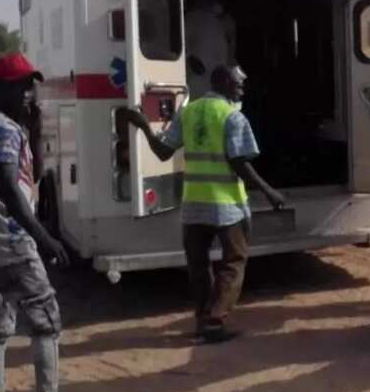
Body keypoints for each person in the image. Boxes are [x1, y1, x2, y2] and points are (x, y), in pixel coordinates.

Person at [119, 66, 284, 344]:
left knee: (198, 266)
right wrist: (269, 192)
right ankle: (215, 321)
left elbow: (162, 152)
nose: (242, 89)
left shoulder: (189, 111)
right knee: (234, 261)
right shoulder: (233, 116)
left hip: (194, 205)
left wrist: (144, 126)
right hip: (227, 204)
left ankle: (201, 320)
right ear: (222, 83)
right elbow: (239, 162)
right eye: (238, 84)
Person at [0, 53, 70, 392]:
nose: (29, 92)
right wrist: (45, 239)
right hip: (12, 242)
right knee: (46, 323)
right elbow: (11, 188)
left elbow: (32, 177)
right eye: (20, 86)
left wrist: (35, 130)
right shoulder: (4, 129)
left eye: (30, 85)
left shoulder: (12, 128)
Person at [185, 0, 238, 100]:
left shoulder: (225, 23)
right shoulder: (194, 18)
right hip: (197, 79)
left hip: (216, 81)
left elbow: (230, 54)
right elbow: (180, 43)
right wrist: (189, 59)